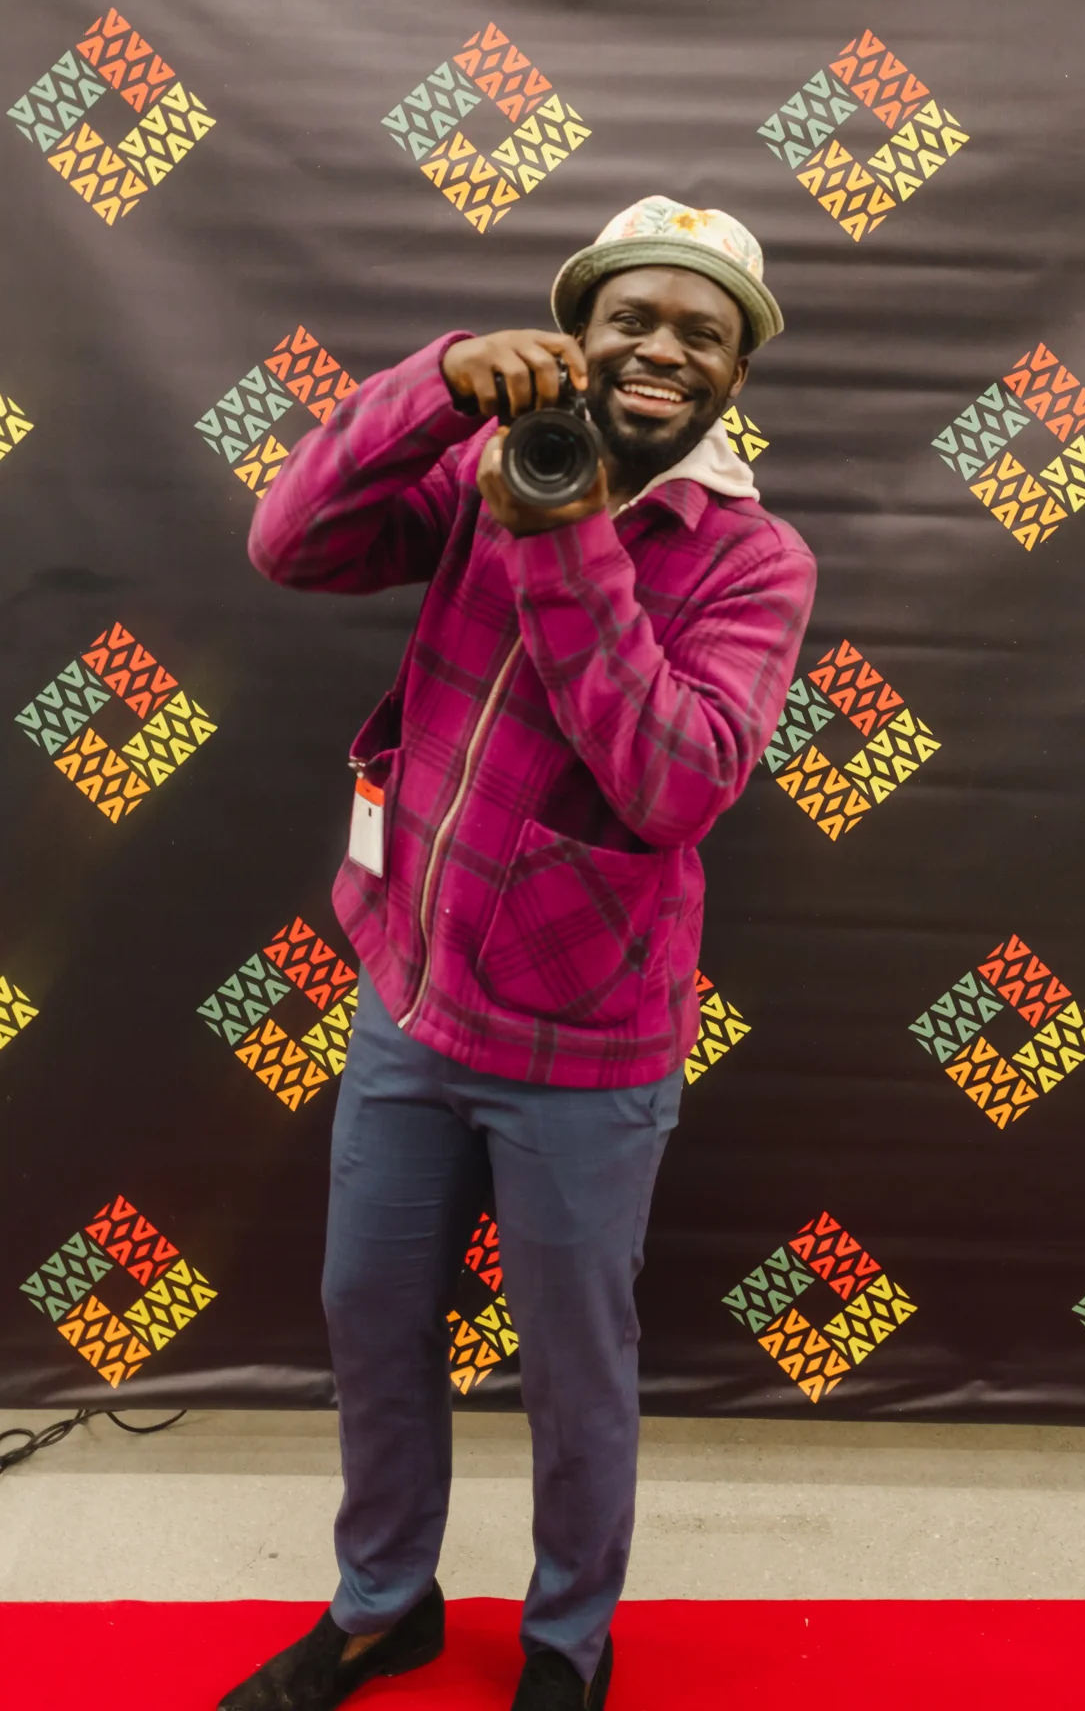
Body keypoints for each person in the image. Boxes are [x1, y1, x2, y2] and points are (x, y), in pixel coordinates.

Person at [220, 196, 817, 1711]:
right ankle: (383, 1605)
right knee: (372, 1322)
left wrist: (565, 542)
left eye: (702, 332)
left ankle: (566, 1641)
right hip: (408, 999)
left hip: (585, 1049)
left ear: (738, 371)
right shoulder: (484, 466)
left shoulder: (752, 560)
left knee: (574, 1368)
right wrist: (432, 387)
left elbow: (673, 784)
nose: (662, 349)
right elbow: (290, 544)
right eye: (633, 318)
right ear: (578, 335)